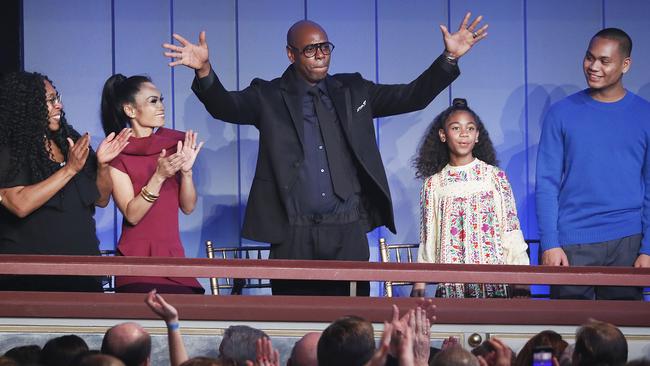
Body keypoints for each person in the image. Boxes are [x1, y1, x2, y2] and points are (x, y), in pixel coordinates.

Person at [163, 13, 487, 296]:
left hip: (346, 229)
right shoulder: (269, 95)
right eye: (309, 49)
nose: (320, 56)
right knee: (296, 325)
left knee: (350, 326)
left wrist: (449, 59)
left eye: (324, 48)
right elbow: (225, 106)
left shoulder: (354, 90)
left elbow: (411, 96)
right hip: (292, 233)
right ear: (291, 54)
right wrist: (204, 70)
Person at [536, 28, 650, 300]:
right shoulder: (561, 113)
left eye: (604, 60)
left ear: (625, 65)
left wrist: (647, 248)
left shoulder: (645, 114)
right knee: (568, 334)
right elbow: (546, 183)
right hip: (572, 243)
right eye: (589, 58)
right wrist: (550, 243)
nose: (593, 67)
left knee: (622, 336)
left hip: (628, 242)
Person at [0, 71, 131, 292]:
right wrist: (69, 170)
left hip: (83, 274)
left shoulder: (69, 141)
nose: (58, 105)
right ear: (27, 105)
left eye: (57, 98)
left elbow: (100, 199)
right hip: (30, 281)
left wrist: (103, 165)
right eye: (50, 101)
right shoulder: (10, 151)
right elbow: (19, 204)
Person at [411, 98, 529, 298]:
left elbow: (511, 231)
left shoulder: (495, 177)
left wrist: (522, 284)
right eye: (456, 128)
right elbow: (428, 240)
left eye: (470, 128)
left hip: (494, 287)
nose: (464, 134)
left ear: (477, 136)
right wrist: (419, 286)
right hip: (452, 288)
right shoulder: (434, 184)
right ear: (442, 135)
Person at [100, 74, 204, 294]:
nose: (161, 107)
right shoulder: (118, 155)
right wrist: (158, 176)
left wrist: (186, 172)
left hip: (173, 257)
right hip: (137, 261)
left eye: (161, 99)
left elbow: (188, 207)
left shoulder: (173, 145)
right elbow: (132, 214)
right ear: (130, 110)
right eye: (153, 101)